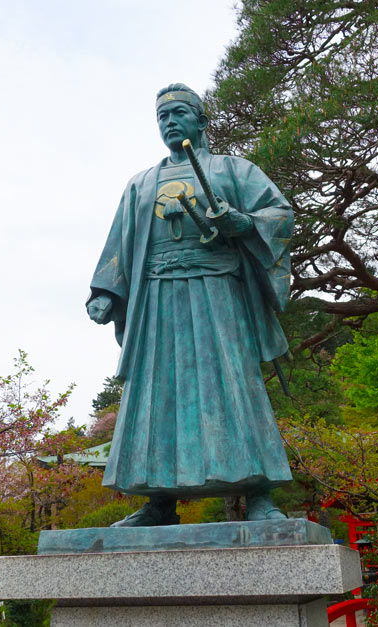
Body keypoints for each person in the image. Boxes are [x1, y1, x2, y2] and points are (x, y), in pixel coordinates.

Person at [86, 83, 293, 526]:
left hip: (217, 293)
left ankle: (258, 494)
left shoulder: (234, 170)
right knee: (155, 392)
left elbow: (280, 215)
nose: (169, 122)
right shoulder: (141, 184)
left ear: (202, 120)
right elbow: (119, 245)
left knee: (232, 384)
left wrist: (242, 222)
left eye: (179, 113)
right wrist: (106, 291)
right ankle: (158, 501)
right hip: (157, 300)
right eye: (162, 116)